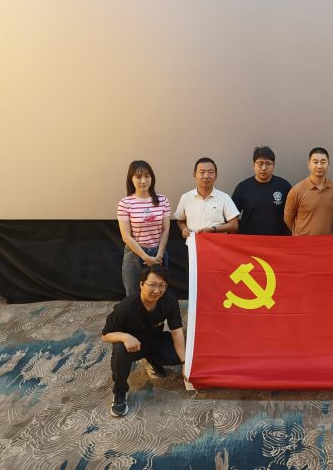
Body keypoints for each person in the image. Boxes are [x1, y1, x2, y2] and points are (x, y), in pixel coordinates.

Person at [102, 265, 185, 417]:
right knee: (119, 351)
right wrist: (125, 337)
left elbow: (177, 332)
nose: (157, 290)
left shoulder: (170, 301)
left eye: (162, 286)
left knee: (180, 352)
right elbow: (105, 335)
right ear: (141, 284)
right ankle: (119, 394)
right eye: (152, 285)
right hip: (133, 347)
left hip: (155, 340)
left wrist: (185, 362)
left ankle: (152, 361)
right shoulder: (125, 307)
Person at [118, 160, 171, 296]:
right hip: (135, 254)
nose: (143, 181)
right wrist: (146, 257)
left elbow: (165, 230)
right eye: (138, 177)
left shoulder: (162, 200)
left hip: (159, 253)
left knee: (159, 293)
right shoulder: (125, 203)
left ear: (152, 177)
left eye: (147, 176)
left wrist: (159, 255)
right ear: (131, 179)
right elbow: (126, 236)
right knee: (134, 295)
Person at [231, 146, 292, 235]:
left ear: (273, 165)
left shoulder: (284, 186)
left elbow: (292, 215)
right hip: (249, 239)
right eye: (260, 163)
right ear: (253, 165)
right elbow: (232, 218)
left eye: (268, 164)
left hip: (277, 239)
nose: (264, 168)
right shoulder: (242, 187)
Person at [175, 157, 240, 238]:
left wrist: (213, 229)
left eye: (210, 172)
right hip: (193, 242)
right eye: (202, 172)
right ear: (194, 175)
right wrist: (184, 229)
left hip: (217, 243)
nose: (206, 176)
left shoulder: (224, 197)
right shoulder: (185, 197)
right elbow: (180, 220)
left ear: (216, 176)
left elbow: (234, 225)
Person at [284, 147, 333, 236]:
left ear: (328, 164)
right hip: (303, 242)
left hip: (327, 240)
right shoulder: (296, 190)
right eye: (315, 162)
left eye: (323, 162)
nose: (319, 166)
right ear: (309, 164)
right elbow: (288, 219)